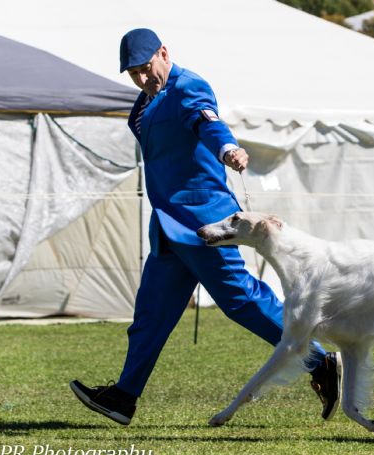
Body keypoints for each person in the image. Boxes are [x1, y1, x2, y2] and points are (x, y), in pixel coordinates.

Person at [70, 28, 340, 426]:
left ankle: (319, 361)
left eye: (146, 67)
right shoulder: (146, 101)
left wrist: (228, 149)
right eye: (133, 73)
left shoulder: (188, 87)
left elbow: (208, 122)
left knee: (242, 300)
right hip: (168, 227)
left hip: (203, 224)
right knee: (150, 316)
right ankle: (124, 397)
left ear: (164, 53)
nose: (142, 78)